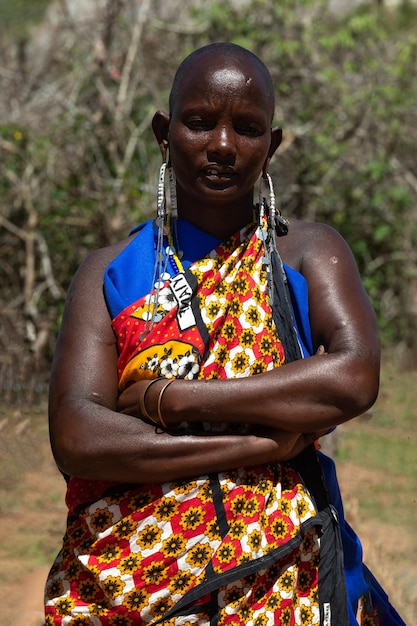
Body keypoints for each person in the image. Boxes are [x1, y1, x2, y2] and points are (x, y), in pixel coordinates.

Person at [44, 43, 405, 626]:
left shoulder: (309, 253)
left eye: (248, 128)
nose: (221, 146)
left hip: (287, 584)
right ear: (164, 133)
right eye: (199, 122)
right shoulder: (111, 273)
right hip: (125, 592)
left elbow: (354, 376)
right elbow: (78, 434)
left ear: (272, 145)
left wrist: (175, 400)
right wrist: (256, 447)